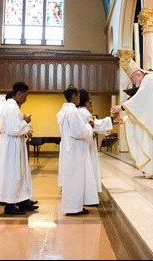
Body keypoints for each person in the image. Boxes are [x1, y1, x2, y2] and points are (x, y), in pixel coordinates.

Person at [0, 81, 38, 215]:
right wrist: (25, 122)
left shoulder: (13, 107)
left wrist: (22, 120)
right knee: (13, 174)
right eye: (25, 96)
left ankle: (22, 201)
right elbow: (13, 129)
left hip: (15, 144)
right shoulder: (11, 107)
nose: (26, 99)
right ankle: (10, 206)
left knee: (20, 174)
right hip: (11, 146)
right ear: (18, 93)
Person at [57, 85, 94, 215]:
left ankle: (73, 206)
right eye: (78, 96)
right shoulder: (72, 111)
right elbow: (79, 132)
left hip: (68, 148)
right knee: (75, 179)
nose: (79, 99)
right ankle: (74, 208)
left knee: (71, 179)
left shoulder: (63, 111)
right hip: (75, 149)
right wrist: (89, 127)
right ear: (74, 96)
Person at [77, 88, 116, 206]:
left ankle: (85, 195)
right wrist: (112, 118)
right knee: (87, 171)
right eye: (90, 100)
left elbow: (96, 125)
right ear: (86, 102)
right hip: (85, 147)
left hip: (83, 147)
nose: (91, 103)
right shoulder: (84, 113)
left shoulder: (78, 112)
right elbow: (97, 125)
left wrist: (113, 120)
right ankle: (87, 197)